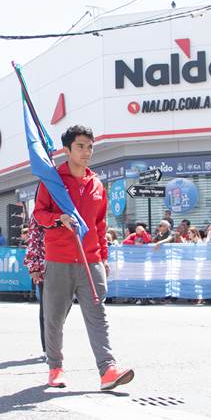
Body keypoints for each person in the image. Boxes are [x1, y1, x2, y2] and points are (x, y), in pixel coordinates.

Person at [33, 124, 133, 391]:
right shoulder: (52, 182)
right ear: (66, 150)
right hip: (59, 260)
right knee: (54, 317)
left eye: (90, 146)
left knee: (98, 314)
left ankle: (108, 370)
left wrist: (103, 257)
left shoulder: (97, 185)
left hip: (91, 260)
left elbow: (100, 225)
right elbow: (38, 215)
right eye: (80, 146)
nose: (87, 151)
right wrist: (58, 218)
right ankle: (55, 367)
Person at [24, 219, 47, 355]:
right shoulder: (39, 214)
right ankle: (48, 348)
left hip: (68, 264)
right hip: (46, 268)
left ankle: (52, 344)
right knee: (46, 310)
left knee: (62, 310)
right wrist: (34, 267)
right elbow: (33, 241)